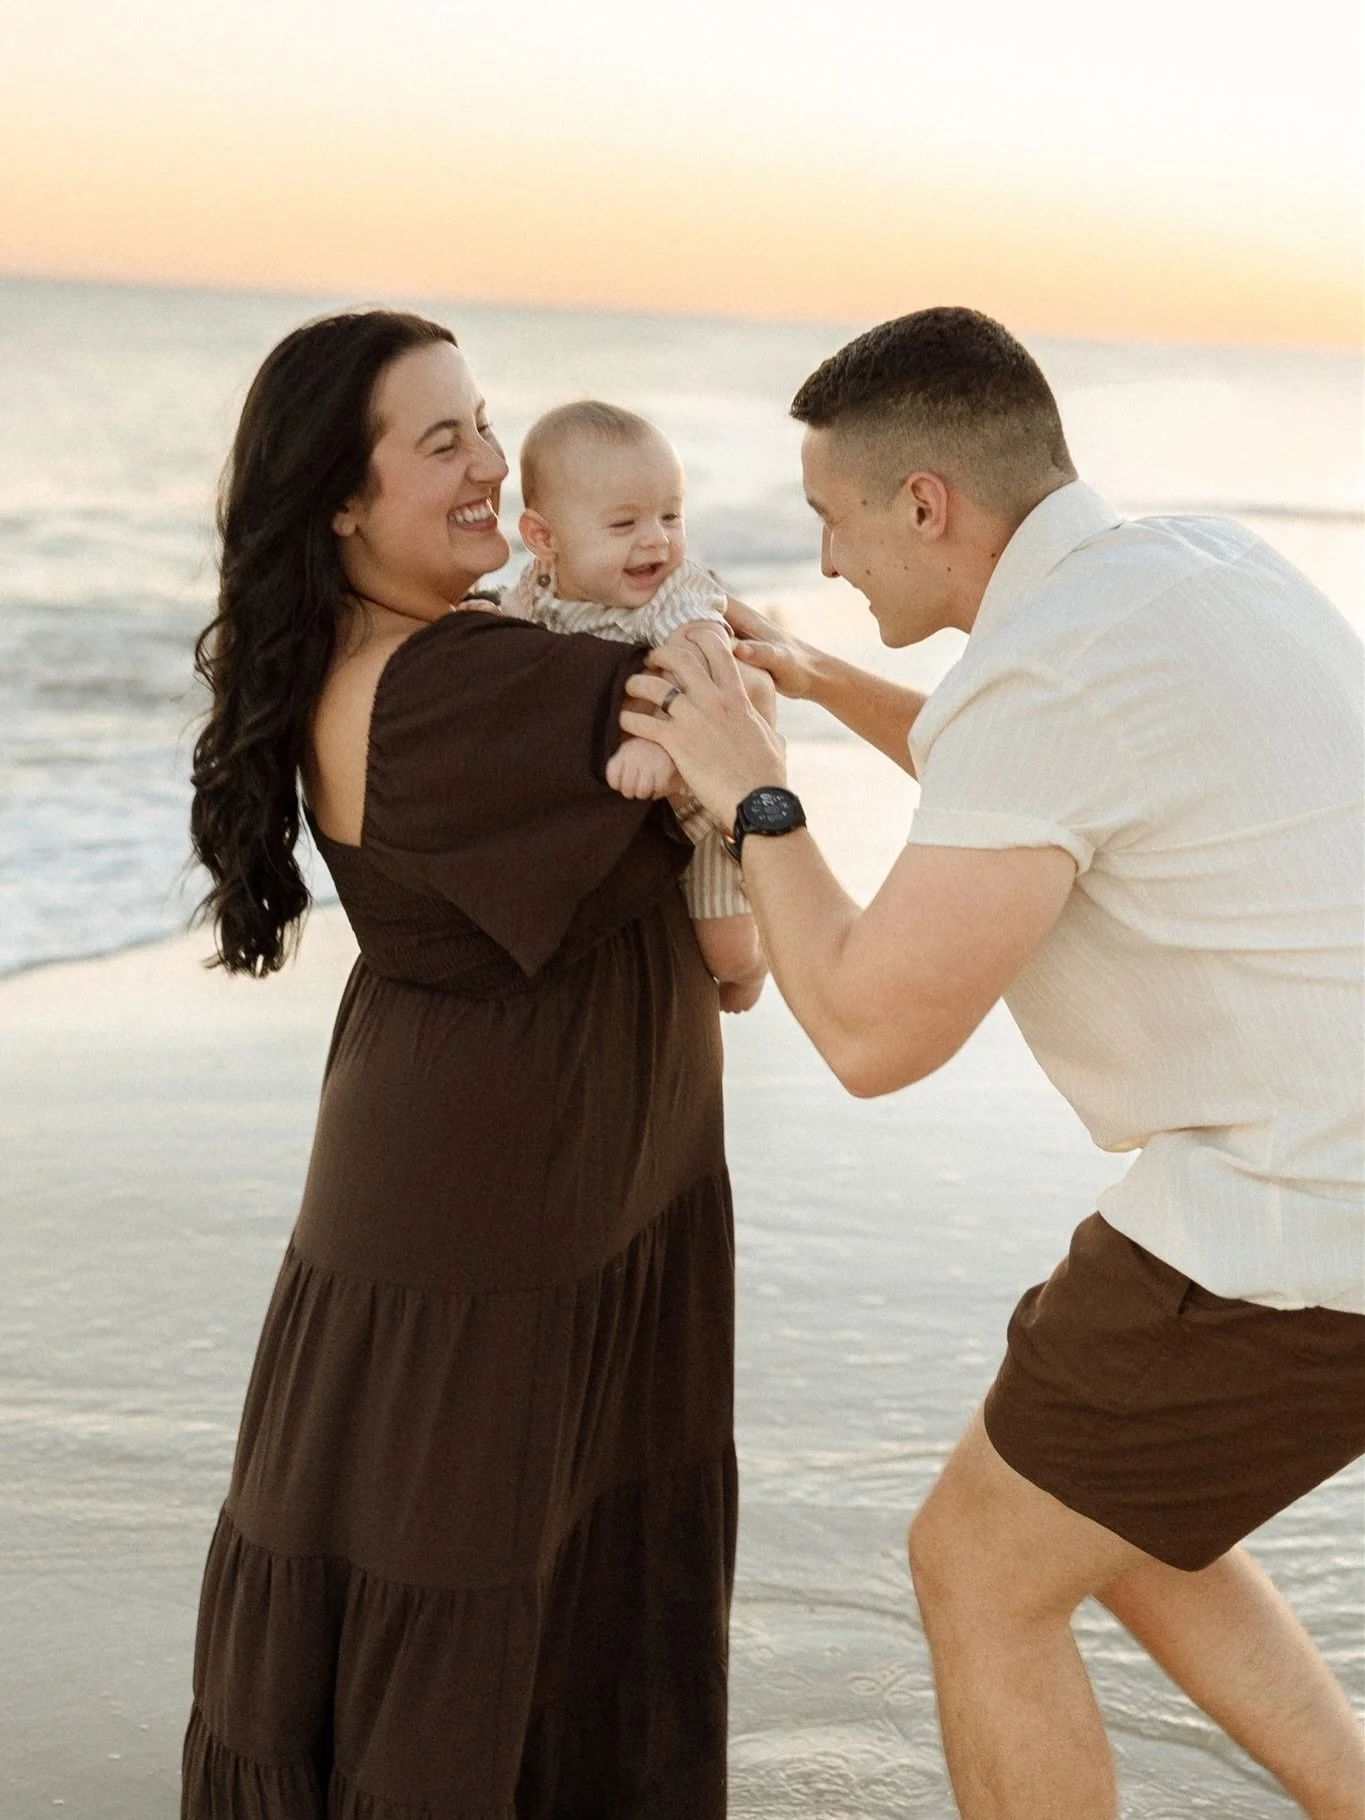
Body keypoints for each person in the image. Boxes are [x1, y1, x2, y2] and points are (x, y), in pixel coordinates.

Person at [621, 306, 1365, 1820]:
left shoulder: (1043, 680)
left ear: (925, 505)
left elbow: (870, 1030)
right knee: (1127, 1527)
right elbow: (1026, 772)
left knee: (977, 1567)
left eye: (832, 520)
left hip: (1296, 1221)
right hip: (1321, 1176)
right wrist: (822, 686)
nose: (824, 557)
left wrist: (753, 787)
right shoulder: (1191, 567)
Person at [183, 309, 737, 1818]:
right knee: (470, 1643)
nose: (495, 463)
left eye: (487, 422)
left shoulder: (410, 658)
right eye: (444, 442)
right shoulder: (464, 686)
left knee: (497, 1611)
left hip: (520, 1197)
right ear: (343, 502)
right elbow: (712, 713)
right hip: (504, 1226)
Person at [502, 398, 766, 1012]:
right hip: (619, 816)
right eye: (624, 525)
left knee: (723, 952)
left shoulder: (675, 593)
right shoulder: (537, 589)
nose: (656, 540)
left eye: (671, 516)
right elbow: (519, 639)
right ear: (544, 538)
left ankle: (756, 966)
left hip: (704, 800)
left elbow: (706, 659)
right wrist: (486, 616)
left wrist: (656, 742)